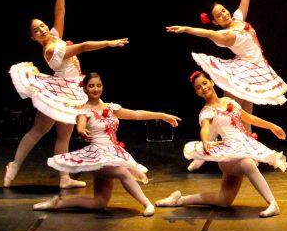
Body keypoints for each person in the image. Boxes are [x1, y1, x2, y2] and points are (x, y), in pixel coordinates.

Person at [6, 0, 129, 189]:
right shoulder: (51, 49)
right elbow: (83, 47)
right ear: (33, 38)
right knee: (38, 131)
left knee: (64, 135)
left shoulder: (55, 37)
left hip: (73, 89)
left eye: (42, 25)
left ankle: (64, 178)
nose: (42, 29)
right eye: (36, 30)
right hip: (60, 92)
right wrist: (108, 43)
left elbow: (60, 13)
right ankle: (14, 166)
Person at [166, 0, 287, 169]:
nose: (224, 14)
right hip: (243, 70)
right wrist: (186, 29)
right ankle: (201, 155)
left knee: (245, 113)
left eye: (223, 11)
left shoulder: (238, 19)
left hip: (256, 69)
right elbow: (206, 33)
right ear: (215, 22)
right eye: (219, 15)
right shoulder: (225, 35)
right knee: (224, 111)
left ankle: (251, 154)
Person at [34, 72, 180, 216]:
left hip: (112, 153)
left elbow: (136, 114)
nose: (95, 89)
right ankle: (147, 204)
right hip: (98, 156)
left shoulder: (111, 107)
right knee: (122, 172)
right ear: (85, 88)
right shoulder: (84, 111)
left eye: (98, 85)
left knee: (99, 202)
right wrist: (82, 131)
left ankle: (58, 203)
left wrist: (162, 116)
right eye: (91, 86)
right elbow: (80, 126)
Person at [156, 71, 287, 217]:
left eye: (204, 83)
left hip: (242, 148)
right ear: (197, 93)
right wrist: (205, 141)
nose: (203, 88)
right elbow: (205, 128)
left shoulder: (228, 101)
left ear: (212, 82)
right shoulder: (206, 111)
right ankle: (273, 204)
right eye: (198, 87)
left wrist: (272, 126)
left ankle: (179, 200)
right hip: (229, 156)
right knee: (248, 164)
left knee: (224, 200)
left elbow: (249, 118)